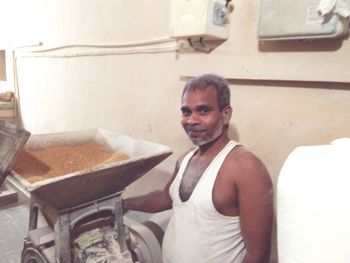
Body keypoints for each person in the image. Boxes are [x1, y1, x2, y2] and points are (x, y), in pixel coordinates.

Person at [123, 74, 274, 263]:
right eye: (186, 112)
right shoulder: (186, 158)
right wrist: (124, 205)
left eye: (203, 111)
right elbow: (167, 198)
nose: (191, 120)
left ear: (225, 114)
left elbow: (257, 256)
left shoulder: (246, 168)